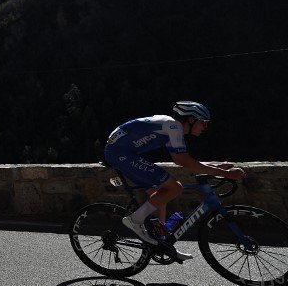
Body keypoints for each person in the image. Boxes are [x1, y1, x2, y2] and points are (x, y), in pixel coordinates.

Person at [104, 101, 244, 258]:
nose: (205, 127)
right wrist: (224, 173)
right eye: (203, 122)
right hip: (120, 153)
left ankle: (162, 243)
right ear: (191, 119)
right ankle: (135, 220)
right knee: (175, 187)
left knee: (160, 195)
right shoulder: (173, 126)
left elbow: (180, 159)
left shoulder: (171, 127)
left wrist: (216, 167)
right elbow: (184, 161)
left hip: (121, 153)